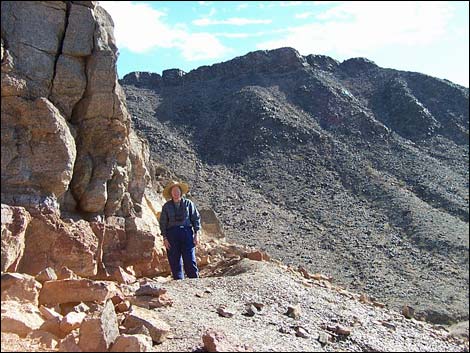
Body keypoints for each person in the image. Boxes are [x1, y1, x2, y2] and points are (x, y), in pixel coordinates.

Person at [159, 180, 201, 279]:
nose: (176, 193)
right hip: (172, 235)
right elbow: (163, 223)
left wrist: (196, 234)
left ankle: (195, 282)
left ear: (181, 192)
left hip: (186, 233)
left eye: (177, 191)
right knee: (175, 260)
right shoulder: (166, 206)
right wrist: (165, 238)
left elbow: (195, 218)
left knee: (190, 259)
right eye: (173, 191)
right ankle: (179, 283)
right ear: (171, 193)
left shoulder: (189, 204)